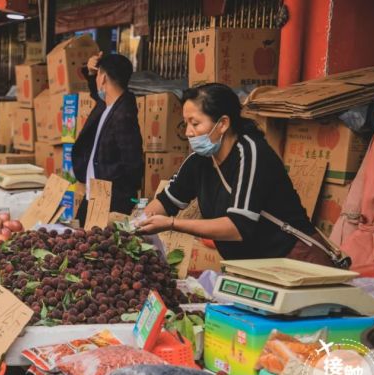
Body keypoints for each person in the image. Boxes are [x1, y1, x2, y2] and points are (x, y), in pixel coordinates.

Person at [139, 83, 333, 266]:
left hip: (292, 260)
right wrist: (134, 225)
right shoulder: (198, 161)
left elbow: (237, 227)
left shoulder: (251, 153)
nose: (189, 132)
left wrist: (172, 223)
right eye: (186, 124)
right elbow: (166, 201)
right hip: (249, 266)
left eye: (195, 123)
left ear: (223, 123)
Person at [72, 52, 143, 226]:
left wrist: (122, 198)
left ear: (103, 78)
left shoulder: (123, 114)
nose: (96, 80)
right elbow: (97, 95)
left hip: (110, 201)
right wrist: (90, 72)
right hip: (95, 195)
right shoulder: (108, 106)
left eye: (97, 76)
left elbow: (133, 163)